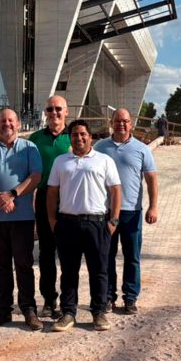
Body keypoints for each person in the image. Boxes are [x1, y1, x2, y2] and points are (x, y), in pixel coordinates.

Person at [47, 120, 121, 332]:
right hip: (67, 224)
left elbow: (116, 190)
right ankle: (68, 313)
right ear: (70, 138)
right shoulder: (61, 161)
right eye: (74, 135)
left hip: (97, 224)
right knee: (68, 271)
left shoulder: (104, 160)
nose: (78, 138)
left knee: (99, 271)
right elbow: (52, 192)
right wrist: (52, 220)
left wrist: (114, 220)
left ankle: (99, 312)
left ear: (90, 137)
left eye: (82, 134)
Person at [0, 108, 44, 330]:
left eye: (11, 120)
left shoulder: (29, 148)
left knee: (24, 264)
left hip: (22, 217)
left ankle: (29, 309)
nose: (7, 124)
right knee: (2, 265)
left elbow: (36, 176)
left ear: (18, 124)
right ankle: (4, 310)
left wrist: (12, 194)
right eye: (3, 121)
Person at [95, 109, 158, 315]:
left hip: (132, 212)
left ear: (131, 124)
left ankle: (130, 297)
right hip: (106, 212)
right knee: (107, 256)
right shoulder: (100, 147)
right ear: (111, 123)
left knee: (132, 257)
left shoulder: (142, 149)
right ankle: (108, 296)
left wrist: (153, 206)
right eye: (117, 121)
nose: (121, 124)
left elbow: (151, 179)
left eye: (125, 121)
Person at [27, 95, 70, 318]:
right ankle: (49, 299)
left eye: (58, 109)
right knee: (46, 252)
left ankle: (68, 301)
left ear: (66, 112)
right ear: (45, 113)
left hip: (70, 200)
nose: (54, 113)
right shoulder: (35, 139)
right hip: (44, 198)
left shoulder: (75, 136)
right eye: (50, 109)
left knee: (68, 252)